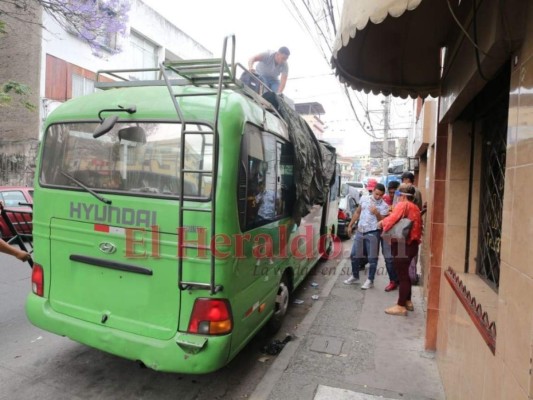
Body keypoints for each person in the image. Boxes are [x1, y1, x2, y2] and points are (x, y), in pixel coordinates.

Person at [377, 184, 422, 316]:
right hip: (412, 245)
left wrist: (381, 223)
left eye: (397, 194)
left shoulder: (403, 205)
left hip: (403, 245)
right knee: (405, 274)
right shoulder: (415, 207)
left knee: (402, 275)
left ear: (402, 195)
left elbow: (392, 219)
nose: (396, 197)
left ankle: (400, 305)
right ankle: (407, 300)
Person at [344, 183, 389, 289]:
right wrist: (350, 225)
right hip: (360, 231)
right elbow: (357, 212)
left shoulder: (384, 206)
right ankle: (355, 276)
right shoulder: (364, 198)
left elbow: (384, 222)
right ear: (373, 191)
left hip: (373, 232)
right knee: (354, 255)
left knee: (372, 258)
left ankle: (370, 280)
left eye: (380, 195)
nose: (378, 197)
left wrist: (377, 213)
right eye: (377, 194)